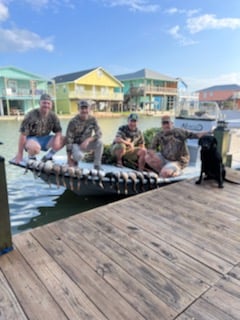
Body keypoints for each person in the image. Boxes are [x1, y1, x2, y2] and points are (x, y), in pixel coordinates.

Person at [14, 93, 65, 163]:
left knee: (64, 139)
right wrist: (20, 154)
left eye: (48, 103)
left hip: (45, 138)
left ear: (51, 105)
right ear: (39, 103)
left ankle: (48, 156)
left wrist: (56, 140)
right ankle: (31, 157)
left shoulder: (53, 116)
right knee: (35, 148)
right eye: (44, 103)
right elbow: (23, 135)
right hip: (31, 139)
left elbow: (58, 131)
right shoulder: (31, 115)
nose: (46, 105)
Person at [65, 100, 103, 169]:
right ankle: (74, 161)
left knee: (99, 143)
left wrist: (88, 140)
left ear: (89, 109)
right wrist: (69, 159)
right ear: (78, 109)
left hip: (86, 144)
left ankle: (97, 165)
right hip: (76, 145)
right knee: (79, 156)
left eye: (86, 108)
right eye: (82, 108)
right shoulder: (73, 122)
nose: (84, 110)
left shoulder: (93, 119)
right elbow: (68, 141)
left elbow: (99, 133)